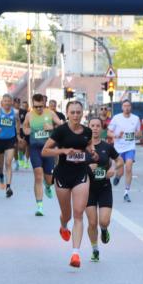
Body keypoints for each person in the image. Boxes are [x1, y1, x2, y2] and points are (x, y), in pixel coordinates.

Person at [41, 100, 96, 268]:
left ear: (82, 113)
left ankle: (75, 254)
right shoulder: (60, 131)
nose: (75, 115)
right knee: (67, 214)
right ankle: (63, 226)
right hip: (63, 176)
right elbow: (45, 151)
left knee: (79, 214)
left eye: (78, 112)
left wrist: (92, 154)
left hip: (80, 174)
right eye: (72, 112)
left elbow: (89, 146)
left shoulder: (87, 131)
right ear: (67, 113)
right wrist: (63, 151)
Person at [86, 117, 119, 262]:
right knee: (92, 223)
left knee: (103, 221)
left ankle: (104, 230)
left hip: (104, 187)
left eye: (97, 126)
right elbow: (73, 163)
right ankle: (95, 250)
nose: (95, 128)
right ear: (88, 128)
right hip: (87, 189)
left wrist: (113, 168)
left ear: (101, 128)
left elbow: (119, 161)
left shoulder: (107, 146)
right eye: (92, 126)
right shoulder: (83, 147)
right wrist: (87, 167)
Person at [22, 93, 61, 216]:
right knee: (38, 175)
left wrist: (52, 128)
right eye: (36, 106)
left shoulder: (50, 113)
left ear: (44, 104)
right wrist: (30, 131)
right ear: (33, 104)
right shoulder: (29, 115)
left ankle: (48, 186)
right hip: (35, 149)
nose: (38, 109)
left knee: (49, 180)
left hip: (48, 149)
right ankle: (39, 206)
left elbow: (62, 125)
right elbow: (25, 128)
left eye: (40, 106)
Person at [107, 99, 141, 202]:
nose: (127, 108)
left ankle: (126, 192)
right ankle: (118, 176)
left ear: (131, 107)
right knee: (120, 171)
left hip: (130, 147)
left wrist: (134, 134)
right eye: (125, 106)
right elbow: (108, 132)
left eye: (128, 106)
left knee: (129, 168)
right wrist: (116, 135)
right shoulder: (117, 118)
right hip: (118, 149)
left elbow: (140, 133)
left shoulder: (136, 118)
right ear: (122, 107)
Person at [0, 94, 19, 197]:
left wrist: (18, 134)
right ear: (2, 102)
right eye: (5, 101)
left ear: (11, 102)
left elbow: (18, 123)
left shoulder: (15, 112)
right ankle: (1, 175)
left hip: (10, 140)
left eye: (8, 101)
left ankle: (8, 187)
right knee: (0, 165)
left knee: (8, 162)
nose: (7, 103)